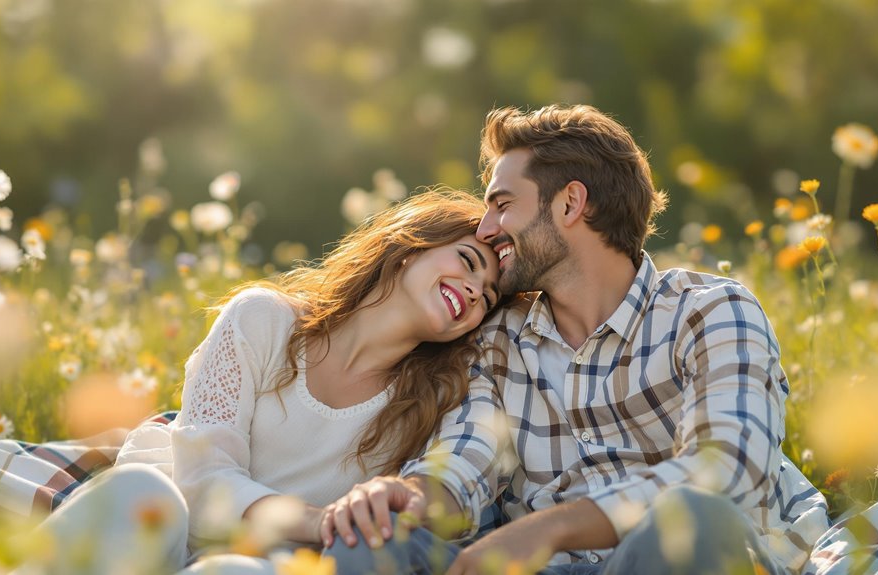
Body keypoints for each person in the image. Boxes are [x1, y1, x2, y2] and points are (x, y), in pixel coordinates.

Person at [322, 105, 832, 575]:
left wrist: (554, 526)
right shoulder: (498, 341)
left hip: (682, 559)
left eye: (502, 204)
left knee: (690, 518)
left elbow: (726, 470)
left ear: (570, 202)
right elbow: (465, 458)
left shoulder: (709, 311)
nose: (485, 227)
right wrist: (410, 495)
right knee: (369, 540)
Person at [0, 188, 503, 574]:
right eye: (469, 263)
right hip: (157, 527)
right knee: (143, 492)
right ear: (409, 248)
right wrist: (317, 518)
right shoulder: (264, 320)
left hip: (256, 562)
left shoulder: (426, 406)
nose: (476, 292)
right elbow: (202, 482)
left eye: (489, 297)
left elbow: (443, 489)